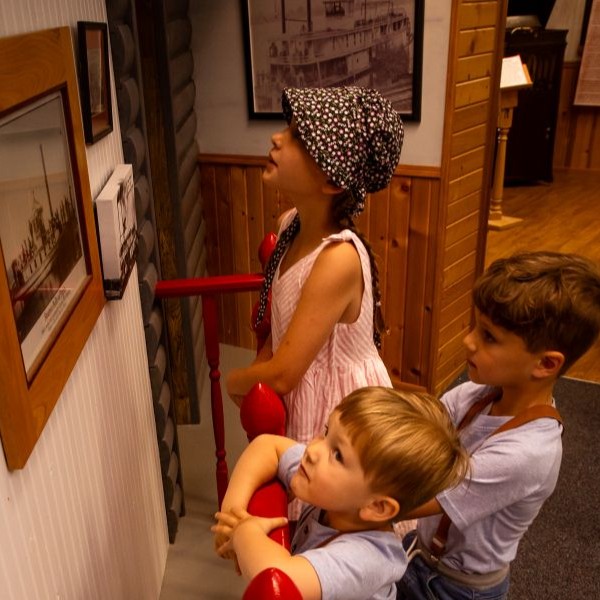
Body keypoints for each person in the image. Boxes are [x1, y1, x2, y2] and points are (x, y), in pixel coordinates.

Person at [396, 251, 600, 600]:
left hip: (457, 589)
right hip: (419, 553)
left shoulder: (529, 453)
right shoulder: (477, 393)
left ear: (545, 363)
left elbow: (417, 501)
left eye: (488, 336)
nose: (468, 340)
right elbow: (414, 435)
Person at [226, 86, 403, 449]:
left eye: (297, 138)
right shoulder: (290, 224)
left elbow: (284, 374)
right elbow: (279, 329)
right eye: (287, 128)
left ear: (333, 181)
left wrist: (234, 381)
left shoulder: (338, 259)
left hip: (338, 408)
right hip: (310, 390)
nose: (277, 138)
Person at [213, 387, 469, 600]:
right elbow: (269, 445)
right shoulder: (338, 498)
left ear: (378, 507)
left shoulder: (368, 557)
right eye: (326, 433)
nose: (313, 450)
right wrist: (234, 511)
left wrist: (244, 532)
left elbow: (279, 579)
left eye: (337, 454)